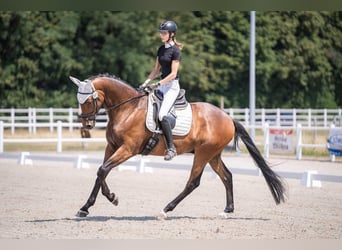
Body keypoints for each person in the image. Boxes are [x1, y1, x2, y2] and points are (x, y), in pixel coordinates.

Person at [140, 20, 183, 161]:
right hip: (161, 85)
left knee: (162, 115)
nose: (161, 35)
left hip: (171, 87)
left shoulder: (175, 51)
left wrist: (157, 84)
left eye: (164, 33)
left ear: (171, 34)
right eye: (161, 33)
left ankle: (171, 148)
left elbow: (173, 74)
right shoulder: (161, 49)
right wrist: (146, 82)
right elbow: (155, 69)